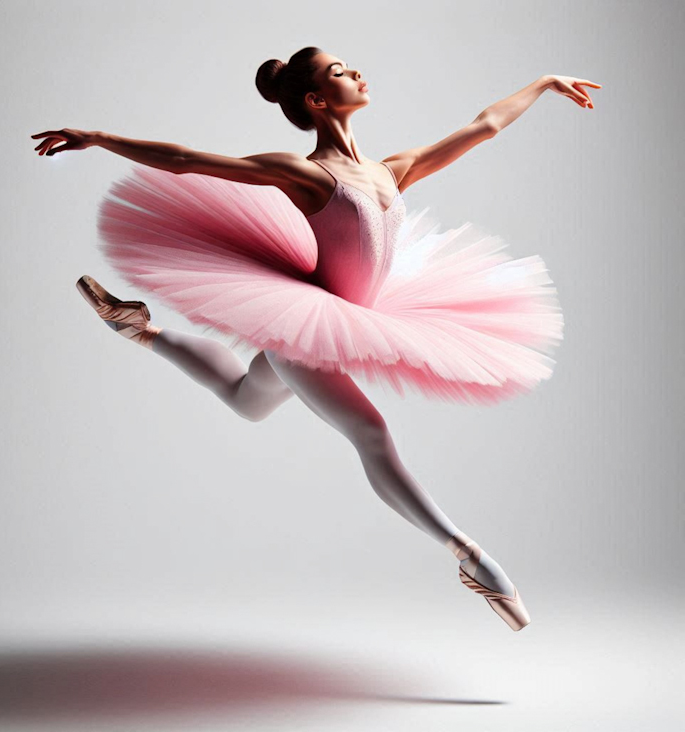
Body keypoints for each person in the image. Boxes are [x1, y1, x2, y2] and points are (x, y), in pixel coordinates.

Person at [31, 46, 600, 631]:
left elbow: (484, 125)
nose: (356, 71)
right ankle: (468, 555)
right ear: (316, 100)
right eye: (339, 70)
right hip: (306, 327)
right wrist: (98, 137)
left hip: (351, 315)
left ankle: (140, 330)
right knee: (370, 431)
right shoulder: (304, 173)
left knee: (248, 400)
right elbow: (185, 160)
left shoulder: (391, 169)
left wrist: (543, 82)